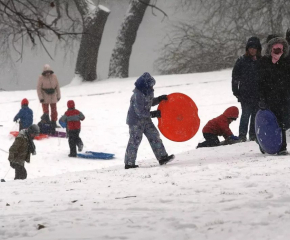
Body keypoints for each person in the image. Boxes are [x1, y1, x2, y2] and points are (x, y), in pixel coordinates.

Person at [124, 72, 174, 169]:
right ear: (144, 85)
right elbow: (139, 111)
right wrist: (153, 114)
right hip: (135, 121)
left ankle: (162, 157)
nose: (152, 88)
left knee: (154, 136)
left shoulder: (148, 91)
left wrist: (159, 99)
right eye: (150, 86)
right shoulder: (137, 95)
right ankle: (129, 163)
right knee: (135, 141)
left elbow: (149, 102)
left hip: (146, 120)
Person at [258, 37, 290, 155]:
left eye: (280, 48)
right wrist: (261, 97)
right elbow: (260, 81)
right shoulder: (264, 62)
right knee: (266, 122)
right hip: (268, 97)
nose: (278, 50)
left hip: (283, 97)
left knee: (281, 123)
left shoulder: (286, 62)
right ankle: (264, 144)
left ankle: (282, 147)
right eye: (275, 48)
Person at [232, 37, 262, 142]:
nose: (252, 50)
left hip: (258, 94)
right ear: (247, 49)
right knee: (245, 115)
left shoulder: (261, 61)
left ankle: (253, 135)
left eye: (254, 48)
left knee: (255, 115)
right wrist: (236, 91)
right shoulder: (241, 61)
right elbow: (235, 77)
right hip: (245, 94)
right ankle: (242, 136)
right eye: (250, 48)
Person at [37, 64, 61, 134]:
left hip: (53, 96)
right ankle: (46, 124)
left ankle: (53, 122)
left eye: (49, 71)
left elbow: (57, 86)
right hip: (45, 97)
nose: (48, 73)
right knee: (45, 112)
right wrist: (41, 98)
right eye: (46, 72)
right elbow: (39, 88)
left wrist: (58, 95)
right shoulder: (41, 78)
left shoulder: (54, 77)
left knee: (54, 110)